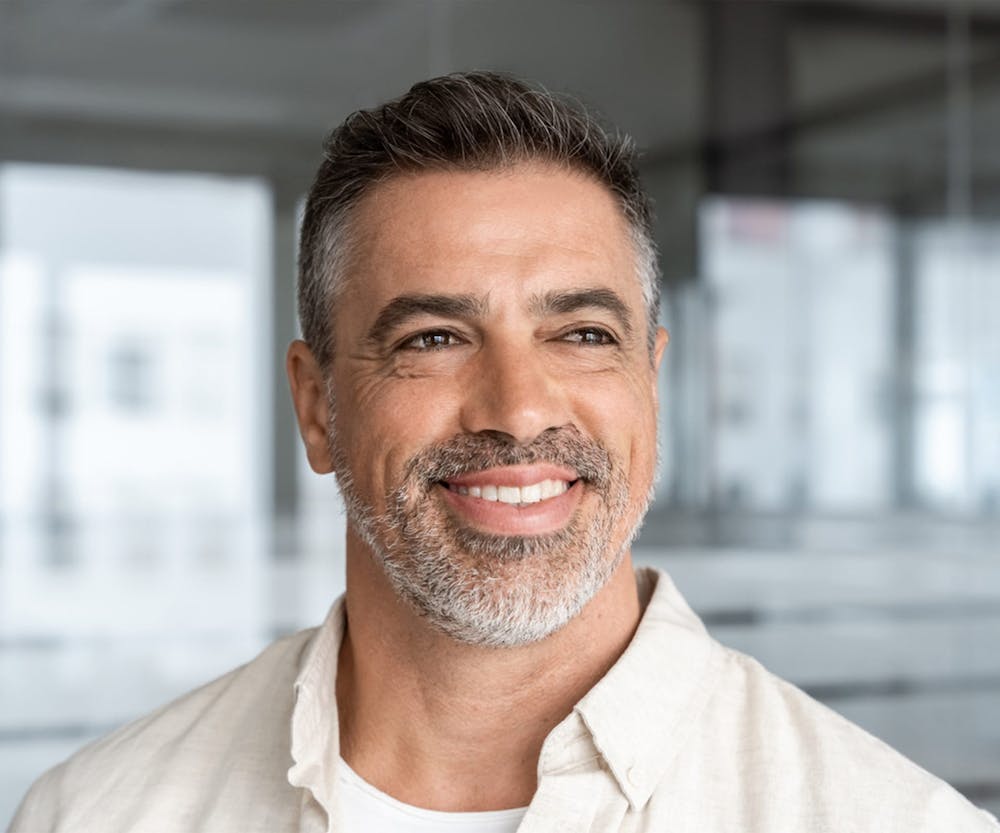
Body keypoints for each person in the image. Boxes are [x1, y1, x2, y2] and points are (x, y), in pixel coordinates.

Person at [8, 71, 997, 833]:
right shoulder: (96, 812)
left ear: (650, 383)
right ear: (316, 407)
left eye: (581, 334)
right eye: (432, 337)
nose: (519, 411)